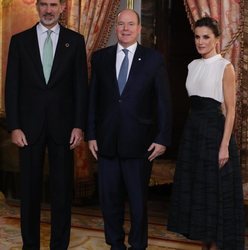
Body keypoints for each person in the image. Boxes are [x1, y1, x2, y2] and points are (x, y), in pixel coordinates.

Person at [4, 0, 88, 249]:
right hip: (28, 130)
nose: (48, 10)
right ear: (37, 7)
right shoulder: (20, 41)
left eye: (54, 4)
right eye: (44, 4)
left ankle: (59, 245)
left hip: (64, 129)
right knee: (29, 193)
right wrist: (14, 126)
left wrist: (78, 125)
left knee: (62, 193)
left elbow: (81, 88)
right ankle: (30, 245)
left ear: (62, 7)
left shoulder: (75, 41)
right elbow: (11, 87)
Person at [87, 9, 172, 250]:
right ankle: (115, 244)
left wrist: (163, 138)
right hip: (106, 142)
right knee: (109, 200)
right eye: (121, 24)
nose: (125, 28)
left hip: (140, 144)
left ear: (138, 29)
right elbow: (93, 99)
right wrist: (91, 134)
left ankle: (137, 245)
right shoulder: (100, 58)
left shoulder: (154, 59)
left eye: (131, 24)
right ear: (116, 28)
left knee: (137, 202)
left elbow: (163, 102)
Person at [167, 16, 245, 250]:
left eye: (206, 37)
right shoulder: (192, 65)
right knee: (198, 189)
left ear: (217, 40)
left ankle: (216, 245)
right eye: (197, 37)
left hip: (215, 133)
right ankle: (204, 244)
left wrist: (224, 146)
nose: (200, 42)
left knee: (214, 191)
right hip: (193, 132)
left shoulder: (225, 67)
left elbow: (230, 111)